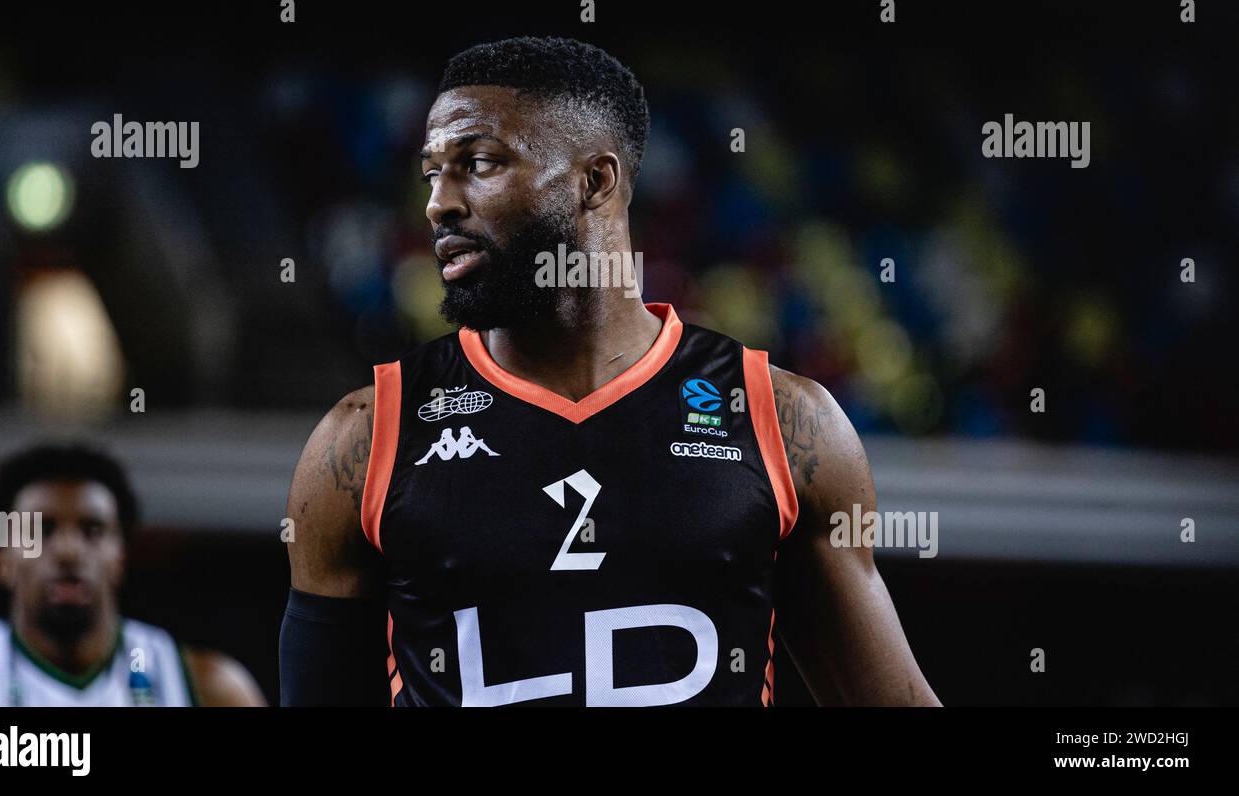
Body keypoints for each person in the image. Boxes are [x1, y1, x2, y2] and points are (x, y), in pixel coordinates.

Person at [280, 36, 940, 706]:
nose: (438, 204)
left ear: (595, 180)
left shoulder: (787, 422)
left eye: (477, 164)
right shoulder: (363, 440)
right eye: (432, 174)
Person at [0, 442, 265, 706]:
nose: (69, 551)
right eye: (41, 530)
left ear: (120, 556)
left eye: (92, 530)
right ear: (2, 561)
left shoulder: (211, 689)